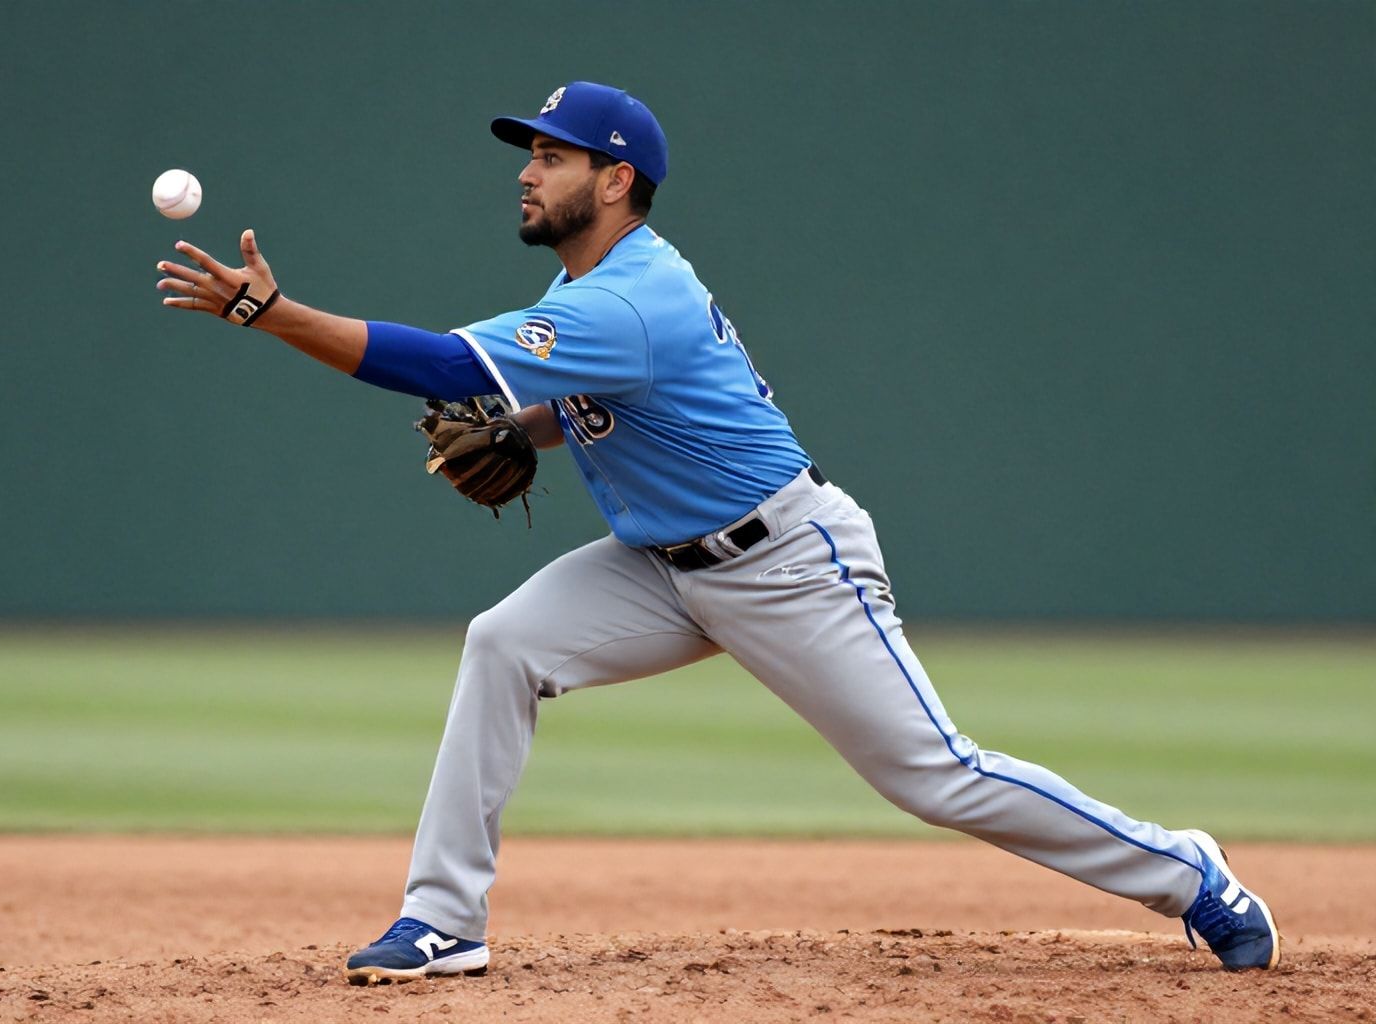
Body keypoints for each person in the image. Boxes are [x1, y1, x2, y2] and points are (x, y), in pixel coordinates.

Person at [154, 81, 1279, 984]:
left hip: (788, 562)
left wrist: (271, 313)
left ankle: (1189, 874)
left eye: (550, 155)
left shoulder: (626, 298)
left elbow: (447, 366)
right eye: (529, 153)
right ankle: (443, 921)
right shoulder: (598, 293)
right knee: (504, 642)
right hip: (659, 565)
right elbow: (598, 404)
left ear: (616, 179)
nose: (527, 171)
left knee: (932, 774)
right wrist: (526, 429)